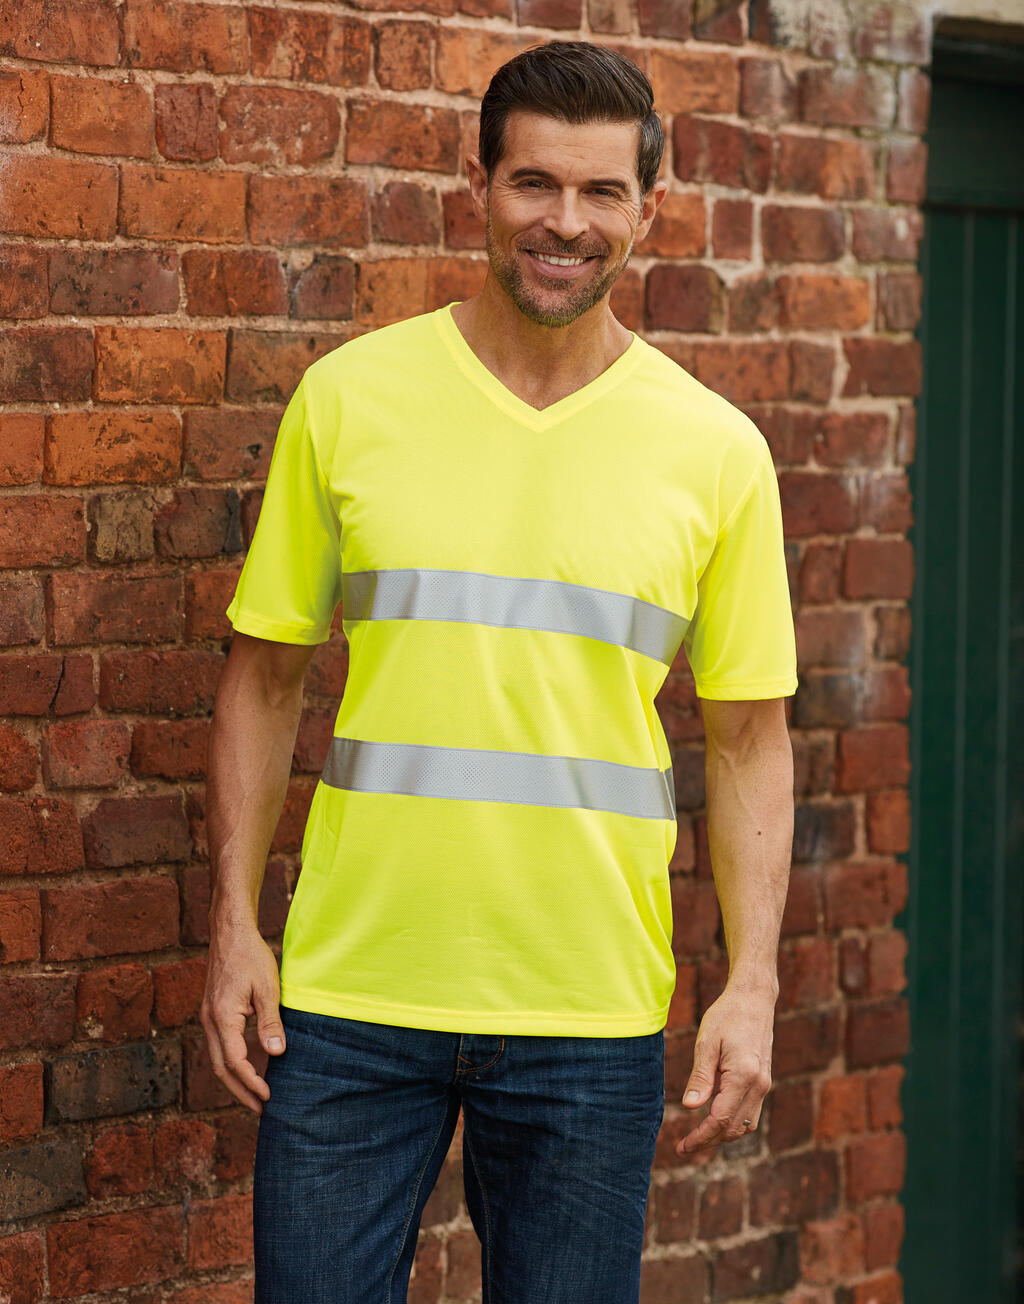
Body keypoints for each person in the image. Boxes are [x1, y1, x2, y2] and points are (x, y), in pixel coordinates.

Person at [200, 39, 797, 1304]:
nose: (564, 222)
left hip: (588, 1008)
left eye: (600, 192)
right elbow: (263, 676)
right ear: (478, 185)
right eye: (534, 183)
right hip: (350, 997)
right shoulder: (349, 399)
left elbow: (749, 736)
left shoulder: (716, 451)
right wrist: (233, 925)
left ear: (648, 208)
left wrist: (751, 983)